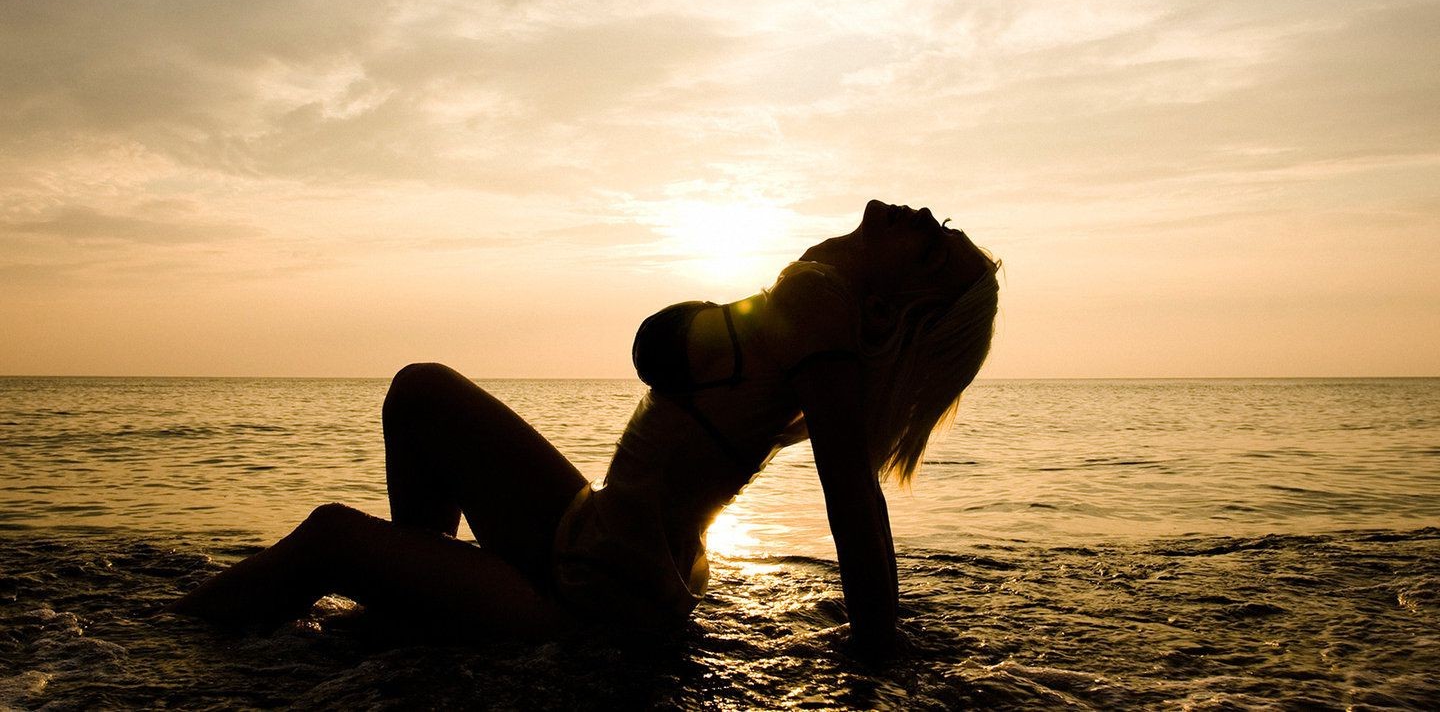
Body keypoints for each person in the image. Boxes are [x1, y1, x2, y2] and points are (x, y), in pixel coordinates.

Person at [169, 199, 1000, 657]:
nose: (924, 213)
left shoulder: (826, 307)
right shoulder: (817, 304)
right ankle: (416, 603)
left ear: (897, 306)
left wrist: (878, 649)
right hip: (602, 541)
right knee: (420, 391)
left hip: (601, 584)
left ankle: (168, 640)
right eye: (938, 221)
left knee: (327, 538)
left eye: (933, 241)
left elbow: (850, 490)